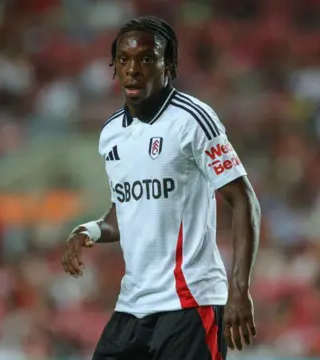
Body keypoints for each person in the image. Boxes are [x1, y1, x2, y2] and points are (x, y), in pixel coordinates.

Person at [62, 15, 261, 360]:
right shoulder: (111, 133)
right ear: (114, 68)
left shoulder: (192, 119)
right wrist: (89, 229)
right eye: (124, 59)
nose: (133, 69)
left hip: (190, 304)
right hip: (133, 308)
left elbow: (244, 200)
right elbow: (124, 212)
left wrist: (240, 289)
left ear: (168, 65)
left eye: (146, 58)